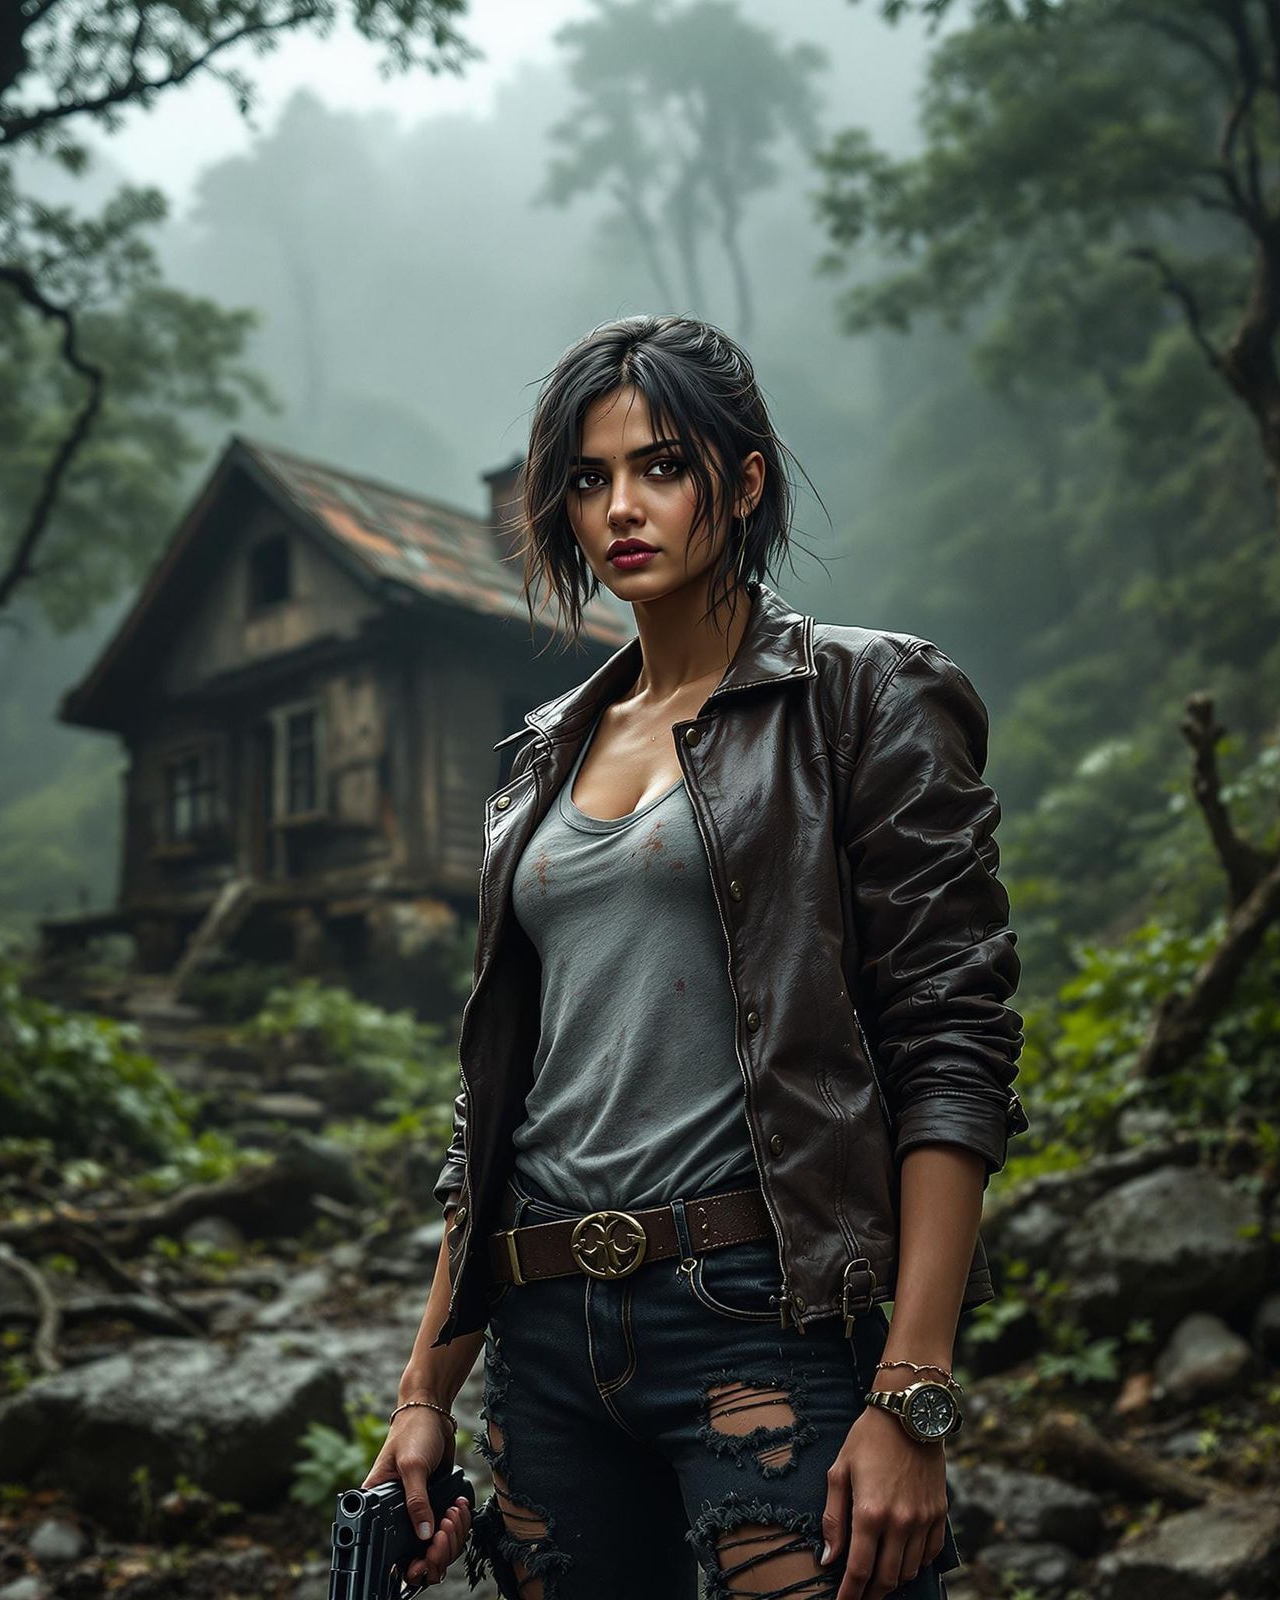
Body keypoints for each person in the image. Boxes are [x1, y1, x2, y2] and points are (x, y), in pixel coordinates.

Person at [362, 314, 1028, 1600]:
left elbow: (952, 1047)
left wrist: (914, 1386)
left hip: (759, 1315)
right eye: (589, 477)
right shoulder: (537, 759)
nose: (622, 506)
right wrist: (423, 1392)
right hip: (545, 1337)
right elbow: (494, 1109)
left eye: (660, 466)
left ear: (744, 479)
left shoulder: (861, 699)